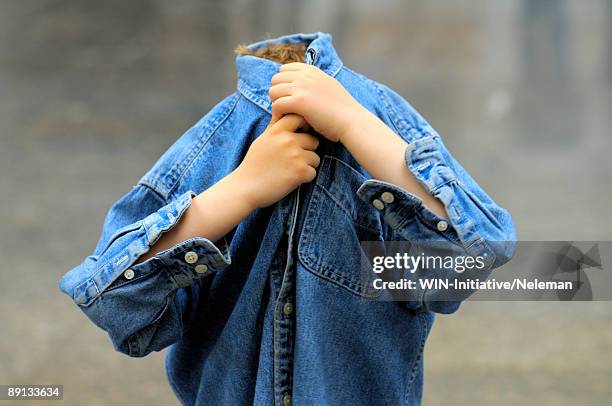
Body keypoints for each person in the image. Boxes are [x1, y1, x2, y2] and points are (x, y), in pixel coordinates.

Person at [59, 32, 515, 405]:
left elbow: (475, 257)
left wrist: (353, 123)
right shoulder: (220, 141)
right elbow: (109, 300)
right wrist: (242, 189)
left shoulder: (373, 116)